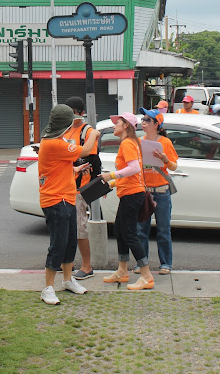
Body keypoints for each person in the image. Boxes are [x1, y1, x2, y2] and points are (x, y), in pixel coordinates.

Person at [38, 104, 100, 305]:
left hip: (67, 197)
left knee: (70, 242)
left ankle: (67, 280)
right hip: (55, 200)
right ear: (65, 126)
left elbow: (56, 167)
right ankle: (48, 288)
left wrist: (74, 170)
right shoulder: (54, 143)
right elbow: (87, 149)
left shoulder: (56, 141)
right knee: (58, 244)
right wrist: (94, 133)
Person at [100, 112, 154, 291]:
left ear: (126, 126)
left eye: (118, 122)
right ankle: (122, 271)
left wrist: (111, 176)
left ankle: (146, 276)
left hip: (132, 194)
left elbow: (134, 168)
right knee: (120, 230)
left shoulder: (127, 143)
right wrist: (112, 183)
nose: (114, 125)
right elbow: (132, 173)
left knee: (129, 233)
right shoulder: (130, 143)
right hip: (129, 193)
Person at [135, 107, 178, 275]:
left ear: (156, 124)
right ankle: (142, 263)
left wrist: (165, 159)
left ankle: (166, 264)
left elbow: (174, 166)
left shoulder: (165, 143)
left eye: (147, 120)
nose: (143, 122)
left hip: (161, 191)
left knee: (163, 230)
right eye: (143, 119)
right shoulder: (139, 141)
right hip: (144, 191)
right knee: (141, 230)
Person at [64, 96, 101, 280]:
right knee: (67, 227)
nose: (70, 116)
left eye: (72, 112)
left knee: (80, 228)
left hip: (80, 187)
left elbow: (90, 158)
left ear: (81, 113)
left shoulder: (88, 132)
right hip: (66, 185)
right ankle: (67, 263)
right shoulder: (66, 130)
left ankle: (87, 266)